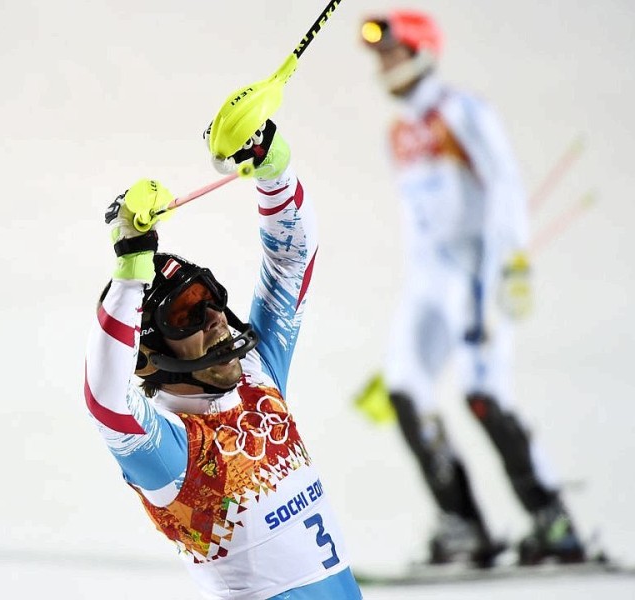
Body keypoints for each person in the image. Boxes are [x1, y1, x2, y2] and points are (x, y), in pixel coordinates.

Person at [83, 117, 363, 599]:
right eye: (186, 313)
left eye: (209, 296)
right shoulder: (176, 454)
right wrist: (130, 271)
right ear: (148, 358)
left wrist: (272, 166)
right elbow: (106, 404)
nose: (214, 318)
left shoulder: (255, 377)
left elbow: (291, 260)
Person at [357, 10, 586, 567]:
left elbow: (504, 186)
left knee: (484, 394)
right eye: (380, 56)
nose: (385, 63)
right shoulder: (399, 133)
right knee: (404, 388)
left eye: (393, 51)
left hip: (474, 274)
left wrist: (510, 266)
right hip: (426, 279)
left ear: (421, 50)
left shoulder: (461, 111)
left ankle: (552, 520)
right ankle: (463, 524)